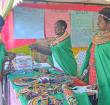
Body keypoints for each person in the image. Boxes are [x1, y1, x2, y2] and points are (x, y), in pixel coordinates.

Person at [80, 7, 110, 105]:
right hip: (92, 80)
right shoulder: (96, 37)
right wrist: (83, 73)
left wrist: (100, 82)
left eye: (100, 21)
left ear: (108, 23)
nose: (97, 23)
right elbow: (90, 58)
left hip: (105, 80)